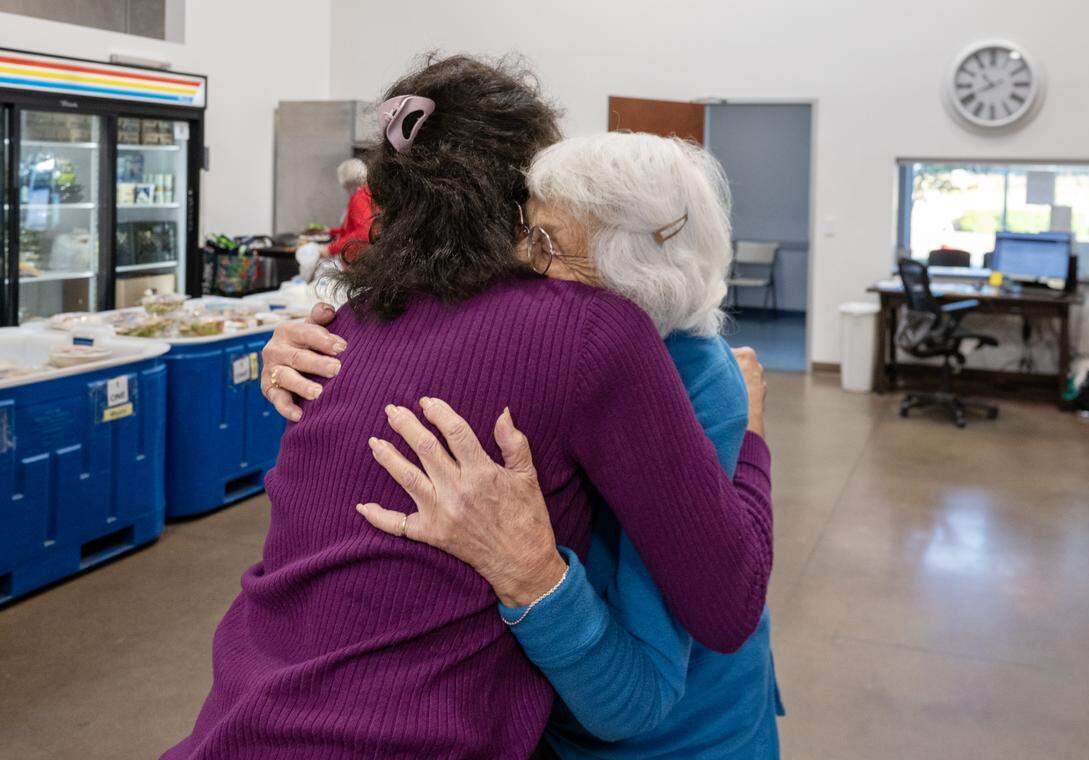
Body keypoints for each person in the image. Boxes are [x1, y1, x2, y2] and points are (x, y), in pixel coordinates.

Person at [168, 57, 772, 760]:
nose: (529, 259)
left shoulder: (654, 359)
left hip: (246, 721)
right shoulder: (371, 329)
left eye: (548, 242)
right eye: (531, 231)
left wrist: (537, 574)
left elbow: (696, 636)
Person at [296, 159, 374, 280]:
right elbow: (352, 229)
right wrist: (331, 231)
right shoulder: (367, 195)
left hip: (357, 262)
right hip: (358, 260)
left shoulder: (360, 197)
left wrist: (329, 249)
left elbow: (364, 232)